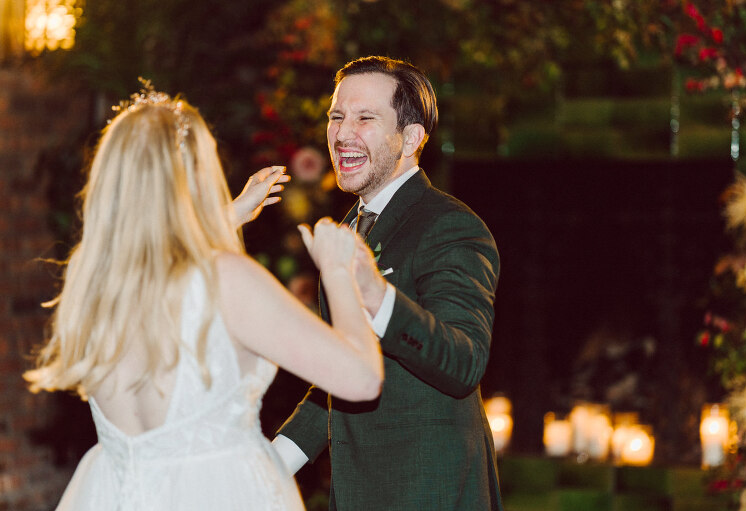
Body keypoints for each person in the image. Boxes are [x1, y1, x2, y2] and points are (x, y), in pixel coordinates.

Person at [23, 83, 384, 511]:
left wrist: (228, 216)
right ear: (196, 176)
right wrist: (339, 271)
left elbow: (162, 255)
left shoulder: (95, 278)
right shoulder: (227, 280)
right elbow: (362, 380)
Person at [273, 56, 503, 510]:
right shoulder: (351, 227)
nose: (342, 133)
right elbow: (341, 373)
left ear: (412, 138)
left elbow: (464, 361)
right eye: (336, 117)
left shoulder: (451, 226)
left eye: (365, 118)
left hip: (428, 493)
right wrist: (273, 462)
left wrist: (377, 295)